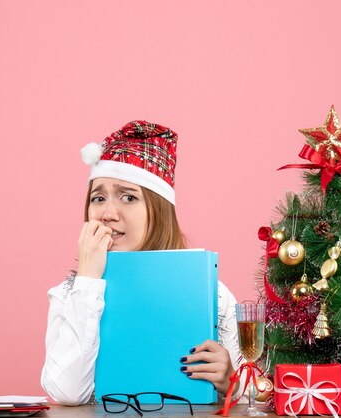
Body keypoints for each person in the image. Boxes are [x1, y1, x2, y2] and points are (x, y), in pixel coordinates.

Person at [41, 121, 243, 406]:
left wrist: (229, 380)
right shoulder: (69, 294)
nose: (108, 213)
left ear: (158, 211)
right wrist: (87, 279)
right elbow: (67, 392)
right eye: (98, 198)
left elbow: (254, 393)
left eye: (128, 197)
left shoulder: (213, 295)